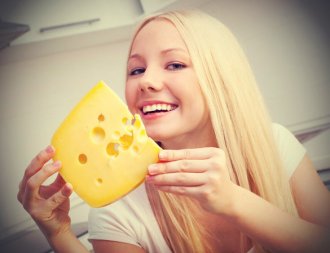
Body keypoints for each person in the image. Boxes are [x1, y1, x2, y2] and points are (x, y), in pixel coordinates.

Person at [17, 10, 330, 253]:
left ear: (221, 79)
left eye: (175, 65)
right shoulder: (118, 207)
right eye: (136, 70)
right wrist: (58, 234)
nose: (146, 81)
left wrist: (233, 200)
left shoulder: (276, 145)